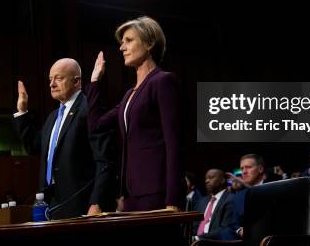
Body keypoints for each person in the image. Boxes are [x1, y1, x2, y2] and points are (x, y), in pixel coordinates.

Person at [87, 16, 185, 211]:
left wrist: (172, 200)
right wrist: (95, 81)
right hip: (130, 195)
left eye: (129, 40)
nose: (122, 47)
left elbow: (174, 143)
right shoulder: (128, 96)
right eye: (121, 42)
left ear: (149, 43)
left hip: (157, 192)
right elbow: (96, 124)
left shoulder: (163, 81)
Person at [13, 58, 115, 219]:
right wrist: (22, 111)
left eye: (58, 78)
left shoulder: (90, 109)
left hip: (81, 204)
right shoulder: (53, 117)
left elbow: (105, 160)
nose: (51, 84)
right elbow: (33, 146)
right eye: (50, 79)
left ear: (76, 81)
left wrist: (97, 202)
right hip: (52, 204)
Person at [195, 169, 238, 240]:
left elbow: (225, 228)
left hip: (214, 242)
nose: (206, 181)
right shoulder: (202, 201)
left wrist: (199, 238)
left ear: (222, 180)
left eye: (211, 177)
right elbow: (195, 225)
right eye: (206, 178)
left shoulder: (231, 199)